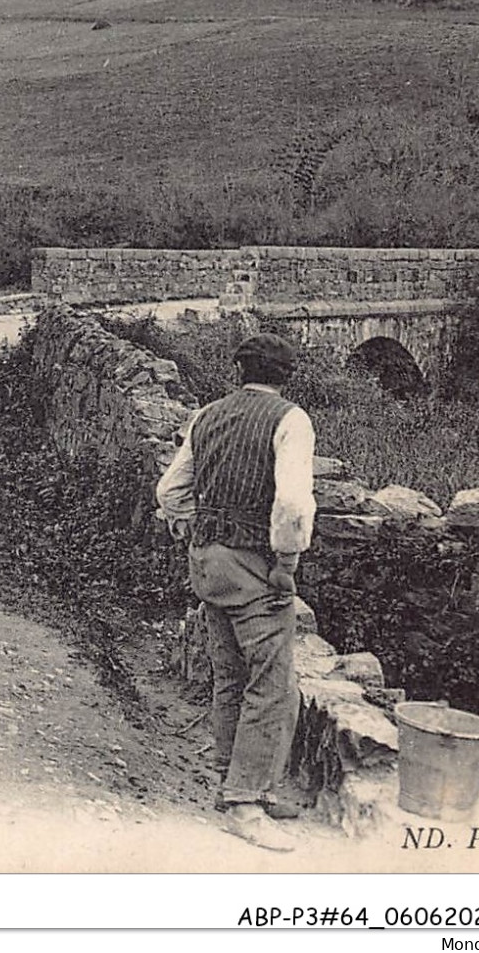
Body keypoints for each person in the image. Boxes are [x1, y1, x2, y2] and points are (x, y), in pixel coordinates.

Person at [155, 332, 316, 853]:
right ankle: (245, 804)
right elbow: (292, 506)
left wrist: (189, 527)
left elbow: (169, 491)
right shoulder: (291, 420)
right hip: (255, 569)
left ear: (239, 370)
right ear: (286, 375)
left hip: (208, 563)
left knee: (230, 675)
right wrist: (286, 565)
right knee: (272, 684)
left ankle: (236, 783)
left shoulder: (208, 415)